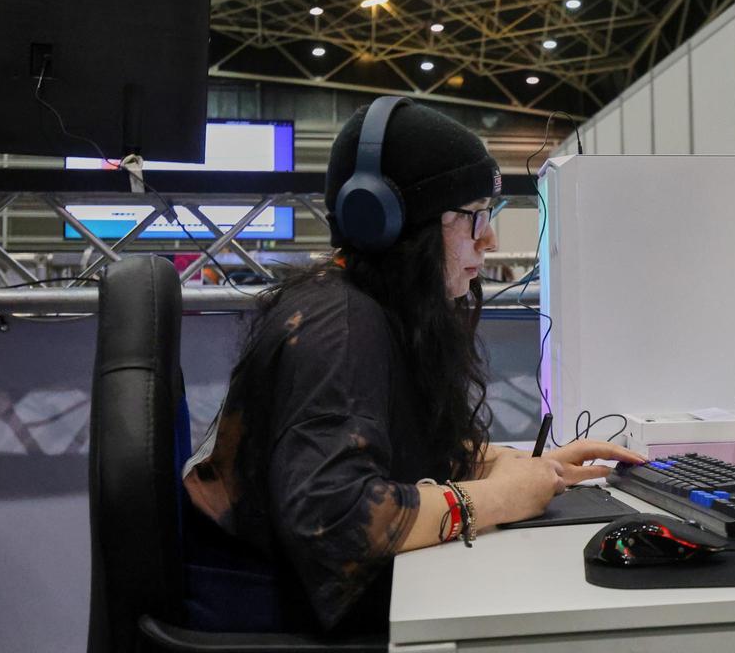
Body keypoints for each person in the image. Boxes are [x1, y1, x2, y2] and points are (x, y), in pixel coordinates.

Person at [181, 100, 642, 635]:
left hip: (278, 594)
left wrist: (529, 466)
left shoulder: (365, 306)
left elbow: (379, 449)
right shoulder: (342, 328)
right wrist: (497, 496)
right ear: (394, 223)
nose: (489, 238)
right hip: (262, 615)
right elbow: (335, 519)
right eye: (474, 215)